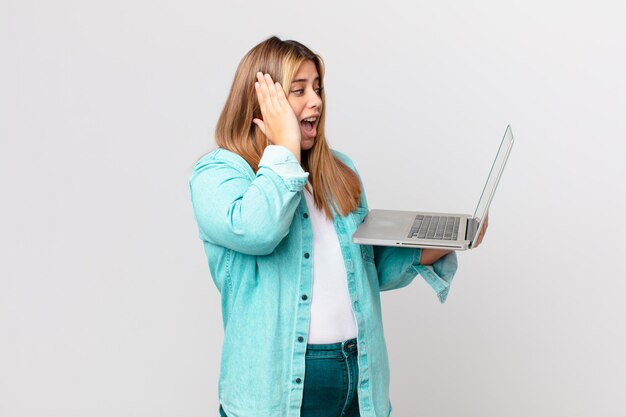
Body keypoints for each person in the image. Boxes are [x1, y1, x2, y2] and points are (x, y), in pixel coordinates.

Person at [189, 36, 488, 417]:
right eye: (298, 90)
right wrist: (284, 147)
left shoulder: (339, 171)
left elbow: (368, 270)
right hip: (277, 391)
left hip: (359, 375)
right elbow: (258, 230)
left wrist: (451, 241)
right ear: (263, 103)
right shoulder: (219, 174)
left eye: (317, 87)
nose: (315, 100)